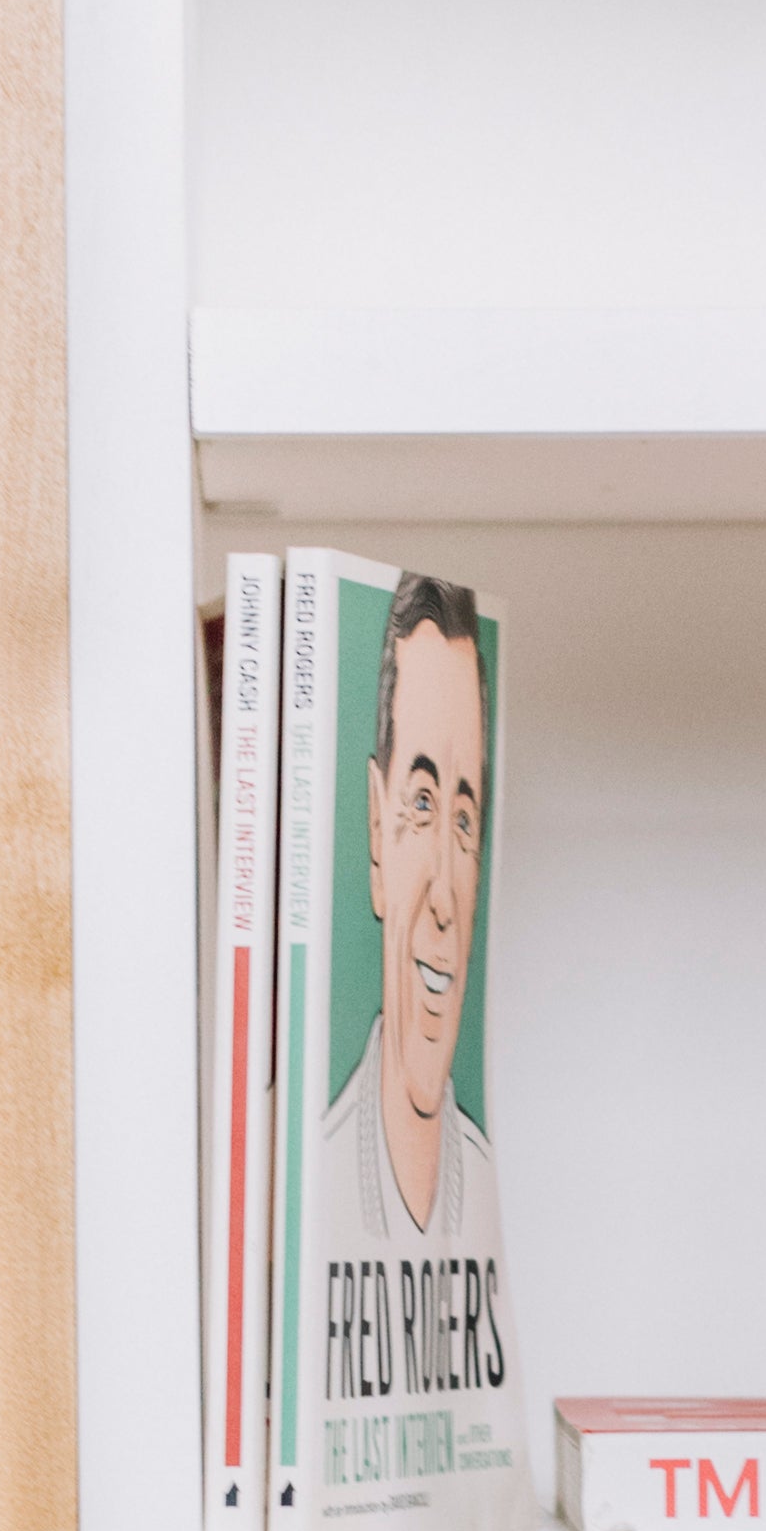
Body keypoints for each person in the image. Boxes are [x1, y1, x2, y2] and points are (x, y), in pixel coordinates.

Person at [314, 572, 508, 1440]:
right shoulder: (308, 1180)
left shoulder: (486, 1185)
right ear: (373, 833)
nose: (443, 899)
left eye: (462, 819)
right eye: (420, 803)